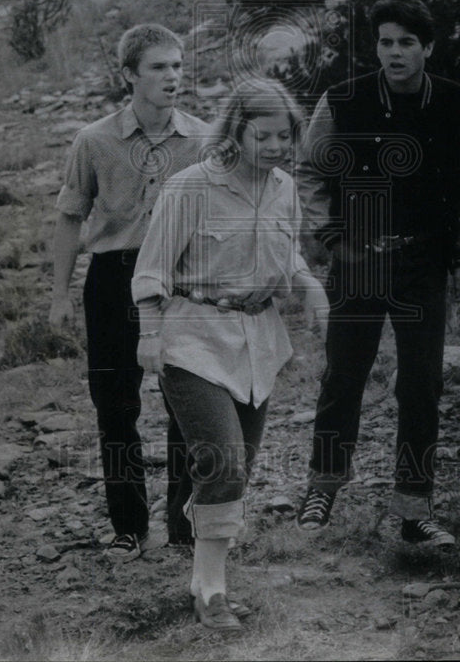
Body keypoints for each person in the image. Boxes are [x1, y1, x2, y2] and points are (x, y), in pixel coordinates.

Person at [132, 77, 330, 630]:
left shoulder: (284, 188)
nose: (274, 147)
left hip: (258, 343)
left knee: (234, 472)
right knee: (223, 462)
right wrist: (150, 335)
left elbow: (285, 253)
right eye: (262, 136)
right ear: (235, 132)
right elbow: (151, 269)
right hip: (192, 338)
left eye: (283, 137)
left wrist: (310, 287)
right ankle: (213, 595)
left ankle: (201, 578)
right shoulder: (190, 187)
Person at [294, 0, 460, 547]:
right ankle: (322, 488)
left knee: (421, 385)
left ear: (428, 47)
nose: (394, 53)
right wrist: (332, 238)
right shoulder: (342, 99)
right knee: (342, 377)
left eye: (406, 43)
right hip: (357, 261)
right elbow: (309, 171)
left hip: (423, 263)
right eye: (385, 42)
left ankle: (414, 509)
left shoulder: (453, 102)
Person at [49, 24, 209, 559]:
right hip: (113, 278)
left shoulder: (204, 140)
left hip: (181, 282)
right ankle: (128, 528)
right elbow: (70, 217)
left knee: (188, 406)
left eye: (178, 66)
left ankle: (186, 526)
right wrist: (59, 294)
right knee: (115, 408)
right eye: (159, 67)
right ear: (129, 76)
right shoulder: (94, 140)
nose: (173, 77)